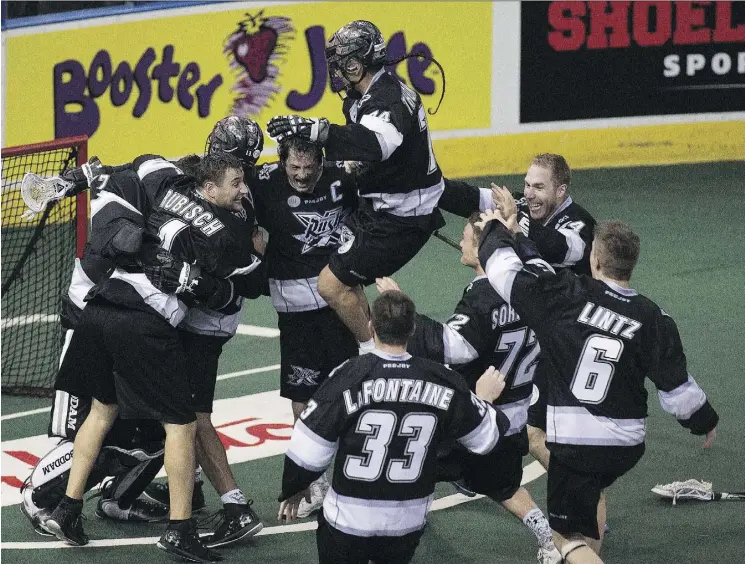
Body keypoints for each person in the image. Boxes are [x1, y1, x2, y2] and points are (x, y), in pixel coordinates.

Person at [44, 152, 262, 563]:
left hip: (100, 308)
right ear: (209, 187)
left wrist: (91, 176)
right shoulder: (221, 235)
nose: (242, 190)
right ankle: (180, 530)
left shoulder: (166, 187)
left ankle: (68, 510)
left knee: (101, 410)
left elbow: (136, 170)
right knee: (181, 425)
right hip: (142, 321)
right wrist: (222, 278)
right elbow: (247, 283)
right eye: (235, 182)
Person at [477, 210, 719, 564]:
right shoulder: (653, 316)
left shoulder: (567, 295)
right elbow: (679, 392)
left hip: (576, 444)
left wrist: (494, 229)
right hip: (625, 445)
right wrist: (704, 421)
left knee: (566, 539)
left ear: (594, 258)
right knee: (586, 510)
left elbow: (502, 271)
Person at [375, 211, 561, 564]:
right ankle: (545, 531)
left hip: (474, 416)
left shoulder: (483, 297)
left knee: (411, 457)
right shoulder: (532, 287)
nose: (460, 242)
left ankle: (403, 525)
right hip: (514, 418)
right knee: (503, 483)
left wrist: (402, 308)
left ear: (481, 251)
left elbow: (455, 348)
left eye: (466, 238)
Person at [278, 290, 510, 564]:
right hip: (406, 523)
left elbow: (307, 450)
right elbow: (486, 438)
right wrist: (483, 400)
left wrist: (295, 487)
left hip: (348, 522)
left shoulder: (348, 376)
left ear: (370, 327)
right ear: (413, 329)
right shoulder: (443, 379)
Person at [267, 20, 448, 354]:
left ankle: (374, 353)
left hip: (397, 217)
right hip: (392, 208)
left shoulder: (386, 98)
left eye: (343, 63)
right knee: (344, 277)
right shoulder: (370, 95)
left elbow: (378, 145)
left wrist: (318, 131)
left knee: (331, 285)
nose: (338, 70)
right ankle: (375, 344)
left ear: (358, 62)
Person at [251, 136, 358, 517]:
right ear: (281, 162)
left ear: (320, 161)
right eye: (293, 168)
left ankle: (354, 476)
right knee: (302, 394)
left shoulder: (342, 179)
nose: (301, 175)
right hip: (294, 311)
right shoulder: (262, 183)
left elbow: (367, 214)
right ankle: (315, 482)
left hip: (339, 302)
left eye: (308, 168)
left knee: (351, 387)